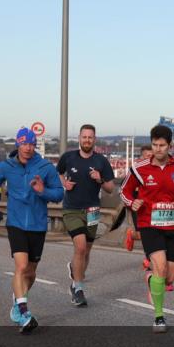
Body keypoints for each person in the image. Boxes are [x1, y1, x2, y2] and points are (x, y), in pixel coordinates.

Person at [0, 128, 64, 334]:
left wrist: (43, 191)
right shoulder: (7, 166)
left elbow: (59, 193)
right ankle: (24, 312)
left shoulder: (45, 167)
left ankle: (17, 300)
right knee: (21, 267)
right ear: (18, 145)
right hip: (16, 223)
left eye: (31, 144)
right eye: (24, 144)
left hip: (38, 225)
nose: (28, 148)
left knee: (30, 272)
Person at [120, 126, 174, 333]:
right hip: (149, 224)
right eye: (155, 145)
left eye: (162, 145)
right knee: (160, 266)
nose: (158, 149)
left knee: (168, 278)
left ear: (170, 146)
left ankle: (152, 278)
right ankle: (159, 317)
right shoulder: (139, 167)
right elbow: (124, 191)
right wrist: (132, 202)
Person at [57, 124, 116, 307]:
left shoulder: (101, 161)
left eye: (90, 137)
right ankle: (78, 287)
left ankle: (75, 270)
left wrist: (100, 179)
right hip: (72, 209)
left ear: (94, 139)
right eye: (84, 137)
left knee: (86, 250)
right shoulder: (68, 158)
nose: (87, 140)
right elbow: (57, 172)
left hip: (92, 211)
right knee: (81, 247)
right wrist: (64, 183)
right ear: (79, 138)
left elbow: (111, 189)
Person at [124, 145, 154, 271]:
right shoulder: (137, 169)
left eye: (151, 155)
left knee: (153, 233)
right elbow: (124, 187)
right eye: (147, 156)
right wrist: (133, 200)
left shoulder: (156, 169)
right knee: (145, 233)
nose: (150, 158)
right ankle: (148, 259)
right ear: (142, 156)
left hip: (154, 207)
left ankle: (132, 235)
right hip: (139, 207)